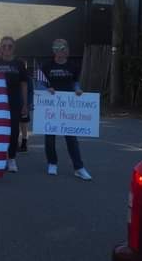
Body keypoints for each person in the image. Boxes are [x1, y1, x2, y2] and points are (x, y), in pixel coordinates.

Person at [41, 38, 92, 181]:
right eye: (56, 48)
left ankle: (78, 167)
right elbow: (39, 82)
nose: (59, 51)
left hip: (68, 107)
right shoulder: (46, 65)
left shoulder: (73, 66)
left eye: (62, 48)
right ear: (53, 51)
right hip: (51, 106)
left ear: (67, 50)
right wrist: (46, 87)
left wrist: (78, 90)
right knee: (50, 138)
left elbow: (75, 82)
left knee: (71, 139)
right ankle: (52, 163)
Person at [0, 36, 28, 173]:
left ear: (13, 48)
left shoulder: (19, 64)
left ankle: (11, 158)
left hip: (14, 101)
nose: (6, 49)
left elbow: (24, 84)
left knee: (14, 130)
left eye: (9, 46)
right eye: (3, 46)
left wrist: (25, 104)